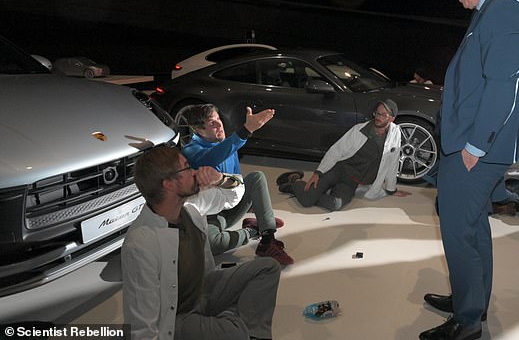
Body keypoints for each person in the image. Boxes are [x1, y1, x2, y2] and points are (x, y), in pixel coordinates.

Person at [420, 0, 519, 340]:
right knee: (471, 228)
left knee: (457, 230)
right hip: (472, 144)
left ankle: (466, 323)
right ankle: (472, 302)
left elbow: (502, 87)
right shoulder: (497, 6)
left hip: (476, 148)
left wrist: (474, 148)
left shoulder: (504, 10)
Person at [121, 145, 280, 340]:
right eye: (187, 168)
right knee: (235, 332)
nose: (195, 172)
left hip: (203, 291)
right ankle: (240, 326)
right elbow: (141, 326)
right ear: (168, 184)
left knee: (267, 268)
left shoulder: (192, 208)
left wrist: (219, 179)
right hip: (175, 318)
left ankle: (249, 332)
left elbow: (236, 194)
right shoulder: (140, 244)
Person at [181, 104, 294, 265]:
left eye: (218, 119)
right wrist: (245, 130)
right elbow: (211, 157)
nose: (219, 124)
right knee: (211, 246)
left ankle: (268, 239)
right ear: (199, 130)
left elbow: (238, 181)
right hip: (210, 215)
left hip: (230, 205)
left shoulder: (227, 145)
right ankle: (253, 230)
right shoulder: (191, 150)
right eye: (212, 123)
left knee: (257, 177)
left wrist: (251, 204)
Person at [284, 99, 411, 211]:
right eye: (377, 113)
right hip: (338, 170)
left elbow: (393, 162)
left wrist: (391, 189)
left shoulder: (395, 133)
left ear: (392, 118)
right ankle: (295, 179)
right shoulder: (359, 130)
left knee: (335, 204)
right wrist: (318, 172)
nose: (378, 117)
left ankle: (307, 191)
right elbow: (336, 150)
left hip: (351, 182)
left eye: (384, 115)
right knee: (307, 201)